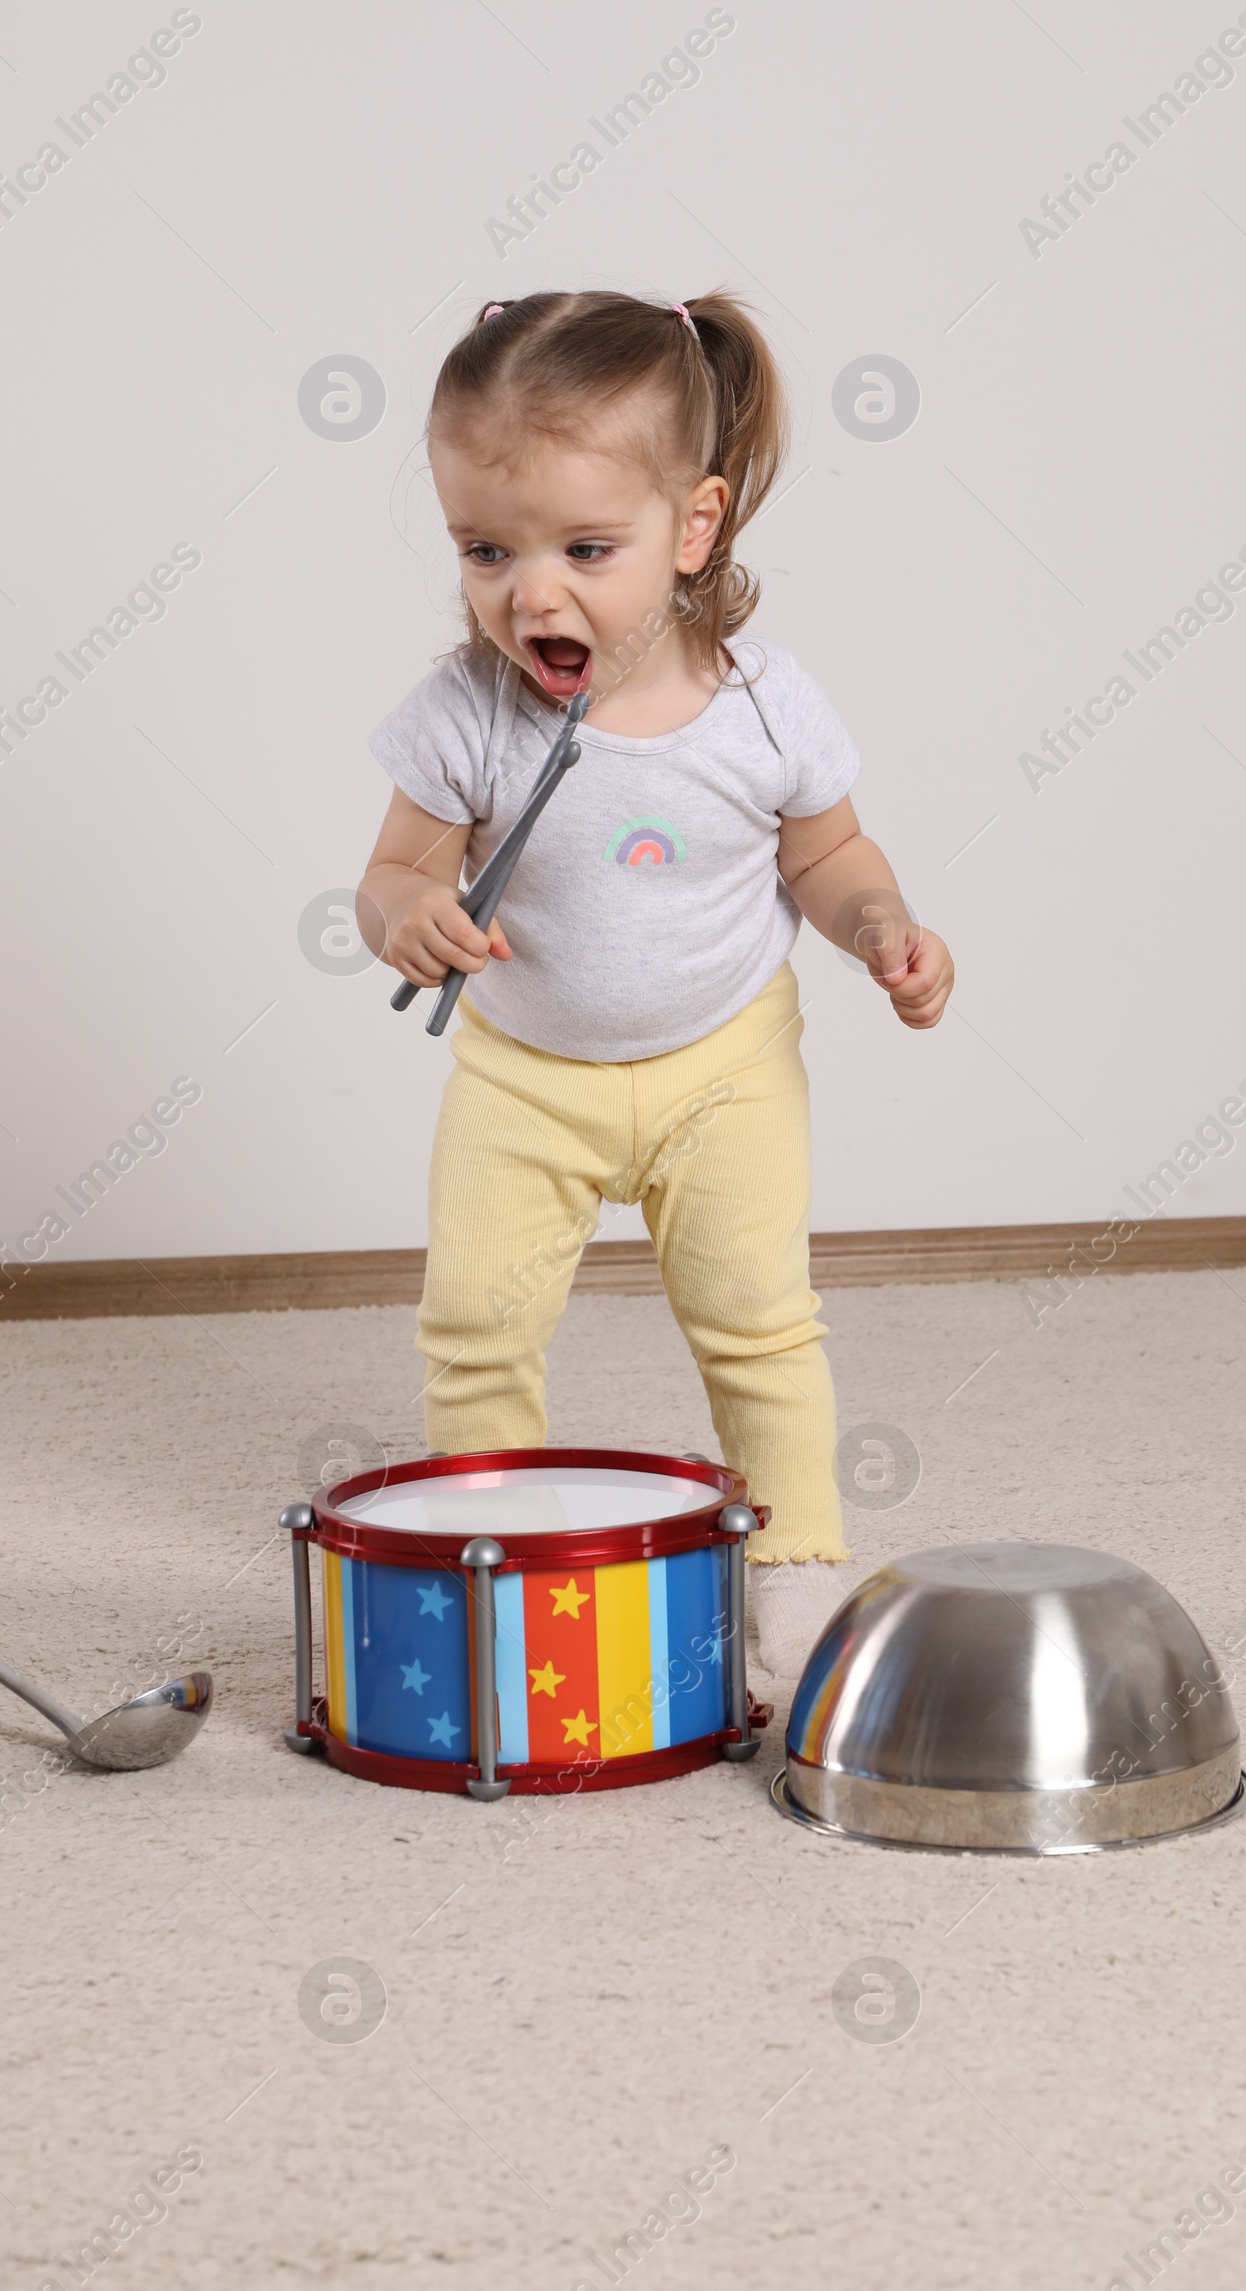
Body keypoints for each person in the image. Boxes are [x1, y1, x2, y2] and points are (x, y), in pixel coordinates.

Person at [359, 287, 953, 1678]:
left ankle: (798, 1566)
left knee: (760, 1322)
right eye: (484, 549)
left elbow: (835, 856)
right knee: (478, 1317)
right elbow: (392, 872)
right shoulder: (467, 713)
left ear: (694, 528)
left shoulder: (761, 703)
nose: (530, 593)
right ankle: (487, 1555)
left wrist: (879, 927)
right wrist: (407, 916)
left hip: (724, 1068)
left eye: (584, 547)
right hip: (525, 1076)